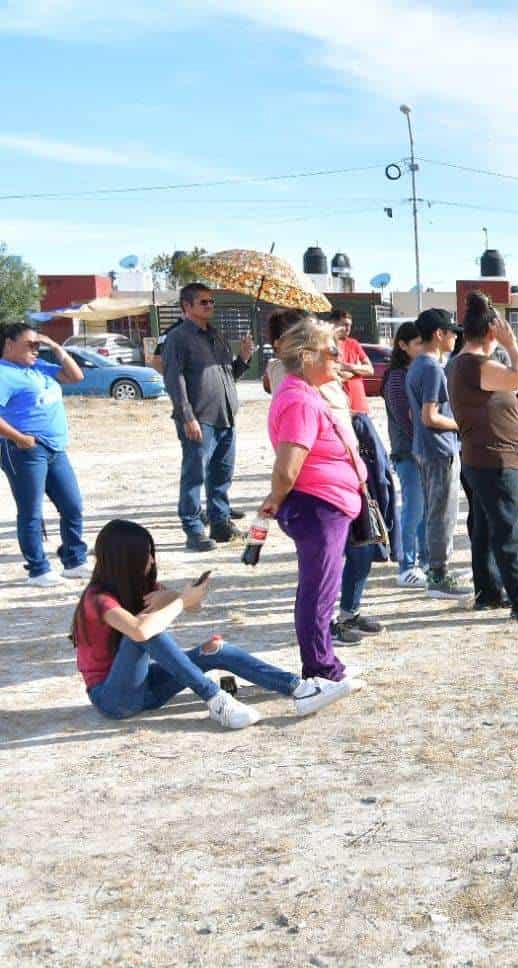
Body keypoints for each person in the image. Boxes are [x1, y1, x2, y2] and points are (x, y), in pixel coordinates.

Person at [70, 519, 359, 728]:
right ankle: (217, 701)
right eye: (146, 554)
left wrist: (180, 595)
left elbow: (193, 608)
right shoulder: (98, 599)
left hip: (145, 689)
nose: (151, 560)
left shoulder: (136, 586)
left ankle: (300, 689)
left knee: (215, 649)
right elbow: (141, 631)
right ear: (126, 560)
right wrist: (181, 601)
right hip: (112, 699)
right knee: (147, 630)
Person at [260, 317, 373, 683]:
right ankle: (320, 671)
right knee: (318, 591)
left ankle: (326, 664)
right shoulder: (299, 399)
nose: (339, 357)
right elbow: (287, 468)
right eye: (331, 351)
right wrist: (273, 501)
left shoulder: (306, 393)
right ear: (307, 356)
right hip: (317, 506)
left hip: (326, 505)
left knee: (323, 588)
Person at [449, 293, 518, 622]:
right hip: (494, 459)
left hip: (484, 458)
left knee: (484, 529)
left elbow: (490, 402)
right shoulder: (475, 363)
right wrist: (510, 345)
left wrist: (516, 408)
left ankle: (489, 591)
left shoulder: (464, 364)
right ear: (492, 332)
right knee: (508, 531)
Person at [323, 309, 394, 645]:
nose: (344, 336)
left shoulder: (342, 384)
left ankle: (349, 611)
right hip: (327, 484)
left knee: (362, 547)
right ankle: (326, 626)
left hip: (353, 470)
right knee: (329, 558)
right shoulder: (304, 390)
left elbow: (364, 369)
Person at [163, 283, 251, 552]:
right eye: (203, 302)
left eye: (211, 301)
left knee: (222, 474)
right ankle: (193, 528)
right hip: (199, 418)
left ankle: (220, 523)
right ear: (186, 306)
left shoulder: (217, 336)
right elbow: (173, 378)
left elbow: (228, 376)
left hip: (225, 416)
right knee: (194, 475)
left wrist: (245, 358)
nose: (209, 306)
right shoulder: (178, 338)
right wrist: (186, 416)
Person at [0, 322, 88, 586]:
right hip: (24, 450)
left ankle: (74, 560)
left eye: (39, 345)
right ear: (9, 344)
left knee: (72, 506)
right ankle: (38, 569)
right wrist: (20, 438)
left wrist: (56, 347)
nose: (36, 350)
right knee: (31, 512)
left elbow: (76, 377)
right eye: (30, 345)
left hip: (55, 448)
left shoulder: (38, 367)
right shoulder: (4, 373)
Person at [405, 309, 472, 600]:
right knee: (442, 514)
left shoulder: (417, 365)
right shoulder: (431, 368)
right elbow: (429, 416)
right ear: (438, 334)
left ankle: (437, 570)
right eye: (451, 331)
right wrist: (463, 425)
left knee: (435, 512)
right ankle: (439, 575)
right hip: (439, 449)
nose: (455, 336)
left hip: (426, 448)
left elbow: (415, 413)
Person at [381, 322, 428, 586]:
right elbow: (404, 419)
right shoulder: (397, 377)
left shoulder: (415, 372)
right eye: (418, 343)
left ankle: (423, 562)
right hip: (408, 453)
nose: (422, 348)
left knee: (423, 511)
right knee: (413, 510)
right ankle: (407, 565)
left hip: (420, 452)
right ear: (403, 345)